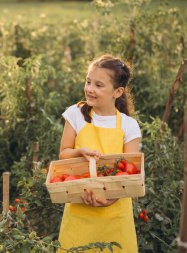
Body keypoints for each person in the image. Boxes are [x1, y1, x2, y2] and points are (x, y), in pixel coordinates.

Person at [57, 55, 141, 252]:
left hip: (115, 215)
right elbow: (64, 154)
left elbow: (131, 174)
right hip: (79, 209)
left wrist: (110, 199)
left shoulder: (129, 126)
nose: (89, 89)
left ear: (117, 92)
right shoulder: (76, 114)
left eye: (98, 85)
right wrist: (79, 151)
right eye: (88, 81)